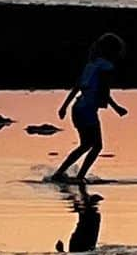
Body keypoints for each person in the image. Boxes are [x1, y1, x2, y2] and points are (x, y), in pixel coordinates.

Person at [51, 33, 127, 182]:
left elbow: (77, 87)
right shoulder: (107, 67)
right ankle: (79, 177)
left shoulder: (90, 64)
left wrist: (64, 107)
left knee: (86, 145)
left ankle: (60, 174)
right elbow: (103, 91)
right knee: (96, 145)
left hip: (78, 108)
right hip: (87, 110)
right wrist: (116, 108)